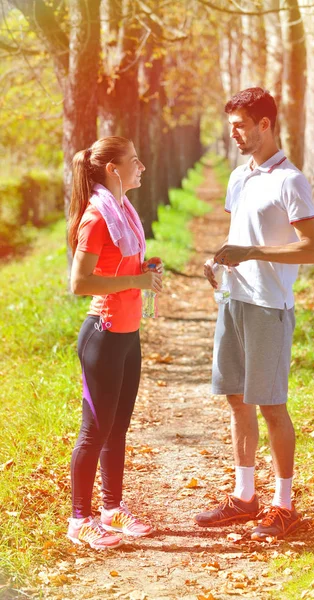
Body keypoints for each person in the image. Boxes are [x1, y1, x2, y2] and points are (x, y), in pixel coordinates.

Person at [195, 88, 314, 540]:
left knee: (272, 406)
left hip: (270, 308)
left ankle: (284, 505)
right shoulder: (238, 177)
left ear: (264, 124)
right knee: (237, 400)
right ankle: (245, 497)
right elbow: (241, 231)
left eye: (239, 126)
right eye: (231, 125)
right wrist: (219, 266)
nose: (233, 134)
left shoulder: (291, 181)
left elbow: (313, 250)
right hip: (233, 302)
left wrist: (250, 252)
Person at [67, 136, 163, 549]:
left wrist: (146, 269)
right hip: (102, 336)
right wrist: (136, 280)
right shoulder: (97, 217)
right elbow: (80, 283)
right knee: (95, 429)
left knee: (118, 427)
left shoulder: (123, 211)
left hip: (128, 335)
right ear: (113, 169)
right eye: (134, 160)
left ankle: (111, 510)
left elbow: (117, 266)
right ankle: (79, 520)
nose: (141, 166)